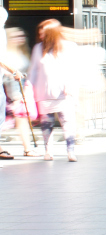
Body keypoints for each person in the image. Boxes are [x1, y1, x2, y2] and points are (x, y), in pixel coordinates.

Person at [28, 19, 81, 162]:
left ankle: (70, 151)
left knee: (68, 122)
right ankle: (48, 151)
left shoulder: (69, 47)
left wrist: (70, 84)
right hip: (43, 91)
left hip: (64, 92)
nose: (41, 37)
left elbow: (74, 68)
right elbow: (33, 70)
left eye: (44, 34)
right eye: (40, 34)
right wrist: (28, 85)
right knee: (46, 124)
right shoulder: (38, 48)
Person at [1, 28, 34, 158]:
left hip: (21, 90)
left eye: (21, 35)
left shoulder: (23, 52)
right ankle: (27, 148)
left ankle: (27, 148)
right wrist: (16, 96)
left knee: (22, 119)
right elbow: (8, 77)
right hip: (13, 92)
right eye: (15, 36)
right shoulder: (7, 54)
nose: (19, 38)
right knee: (20, 119)